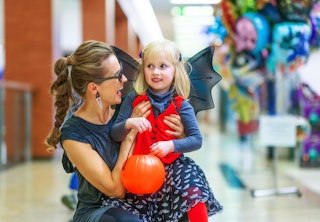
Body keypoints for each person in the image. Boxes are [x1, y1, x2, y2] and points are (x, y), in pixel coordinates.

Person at [45, 40, 185, 222]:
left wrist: (178, 134)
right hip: (100, 210)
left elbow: (163, 147)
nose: (125, 79)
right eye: (118, 75)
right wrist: (129, 137)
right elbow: (116, 190)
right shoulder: (74, 135)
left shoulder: (126, 108)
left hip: (143, 200)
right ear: (94, 88)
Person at [109, 39, 223, 222]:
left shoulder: (182, 106)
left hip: (174, 166)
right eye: (150, 66)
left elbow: (196, 140)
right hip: (138, 167)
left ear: (175, 70)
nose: (155, 72)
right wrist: (129, 123)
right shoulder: (132, 99)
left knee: (194, 190)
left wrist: (171, 145)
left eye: (163, 66)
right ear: (143, 69)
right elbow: (115, 132)